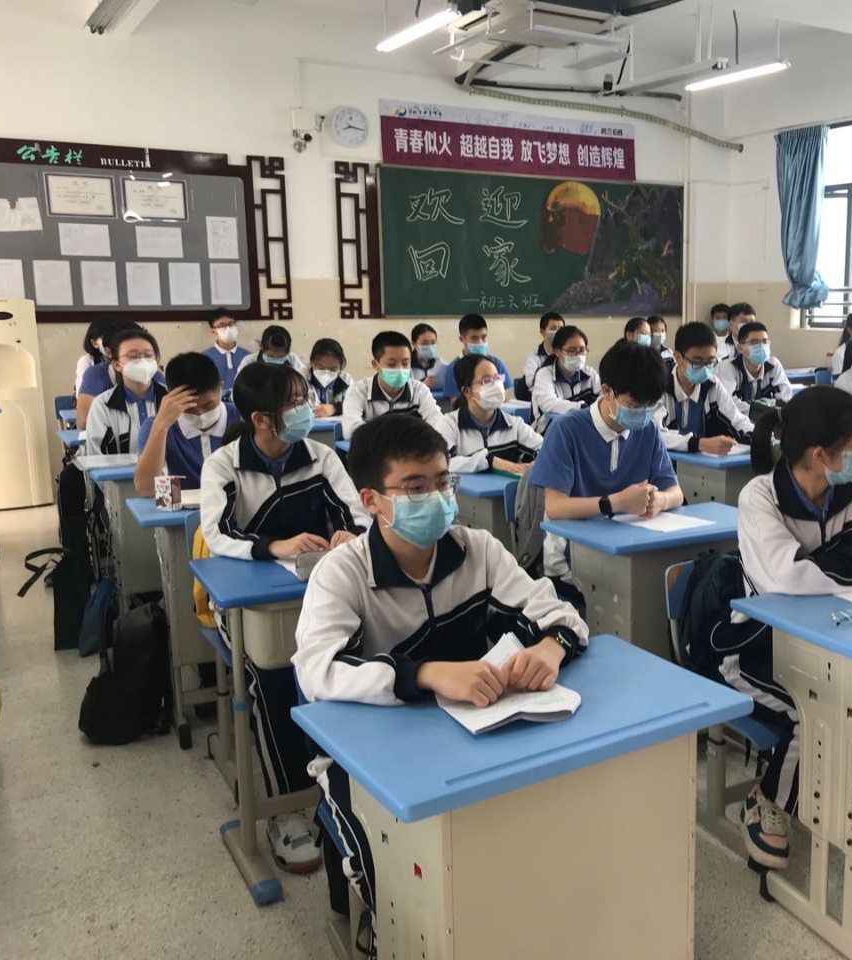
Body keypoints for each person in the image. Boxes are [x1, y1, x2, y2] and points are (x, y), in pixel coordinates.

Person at [292, 414, 587, 942]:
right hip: (367, 757)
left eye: (442, 481)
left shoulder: (477, 549)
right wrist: (425, 674)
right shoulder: (343, 573)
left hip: (468, 736)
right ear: (371, 500)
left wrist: (551, 646)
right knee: (399, 883)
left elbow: (558, 611)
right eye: (414, 487)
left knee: (538, 831)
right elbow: (317, 672)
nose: (435, 497)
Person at [691, 388, 852, 907]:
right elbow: (785, 580)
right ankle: (769, 799)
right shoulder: (760, 497)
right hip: (747, 646)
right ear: (819, 454)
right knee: (818, 714)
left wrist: (848, 564)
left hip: (831, 640)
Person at [200, 362, 370, 873]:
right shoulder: (224, 465)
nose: (305, 410)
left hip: (320, 593)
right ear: (260, 419)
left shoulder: (321, 456)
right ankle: (286, 807)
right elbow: (217, 533)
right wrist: (273, 545)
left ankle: (347, 783)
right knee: (272, 677)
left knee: (357, 664)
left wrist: (349, 535)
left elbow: (357, 514)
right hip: (248, 603)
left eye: (304, 398)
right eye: (294, 403)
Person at [528, 340, 683, 578]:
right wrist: (615, 503)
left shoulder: (649, 431)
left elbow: (676, 493)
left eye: (650, 406)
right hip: (573, 556)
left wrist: (660, 500)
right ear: (607, 391)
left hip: (632, 544)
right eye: (634, 405)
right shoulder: (567, 430)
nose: (643, 413)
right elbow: (555, 507)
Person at [133, 351, 239, 494]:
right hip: (184, 507)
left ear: (221, 387)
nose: (200, 414)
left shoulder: (242, 418)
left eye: (208, 405)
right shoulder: (157, 426)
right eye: (189, 408)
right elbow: (145, 488)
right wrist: (161, 426)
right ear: (169, 395)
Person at [656, 322, 754, 454]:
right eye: (697, 362)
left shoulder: (711, 385)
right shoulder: (659, 386)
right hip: (663, 462)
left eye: (710, 362)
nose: (705, 368)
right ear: (678, 357)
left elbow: (737, 419)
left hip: (702, 463)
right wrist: (700, 444)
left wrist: (757, 434)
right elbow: (656, 434)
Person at [341, 331, 451, 443]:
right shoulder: (358, 391)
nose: (400, 369)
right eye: (391, 364)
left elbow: (438, 425)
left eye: (405, 363)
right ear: (375, 365)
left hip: (412, 451)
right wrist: (398, 437)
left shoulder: (419, 390)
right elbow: (351, 430)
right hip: (374, 451)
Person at [448, 355, 544, 475]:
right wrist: (490, 461)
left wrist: (537, 464)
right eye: (487, 380)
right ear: (467, 391)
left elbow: (546, 449)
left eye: (497, 378)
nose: (496, 385)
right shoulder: (450, 424)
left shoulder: (514, 424)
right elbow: (441, 462)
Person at [85, 326, 168, 455]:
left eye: (148, 355)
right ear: (116, 365)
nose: (142, 361)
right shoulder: (103, 405)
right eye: (133, 356)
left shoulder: (170, 398)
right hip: (120, 469)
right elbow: (97, 457)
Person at [530, 325, 601, 435]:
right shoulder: (545, 374)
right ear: (557, 352)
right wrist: (581, 407)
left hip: (583, 428)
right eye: (572, 351)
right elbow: (549, 404)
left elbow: (603, 397)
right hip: (549, 431)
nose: (578, 355)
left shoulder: (589, 373)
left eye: (582, 350)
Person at [717, 320, 793, 414]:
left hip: (767, 418)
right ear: (740, 348)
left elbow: (786, 398)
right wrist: (765, 409)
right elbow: (729, 404)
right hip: (735, 421)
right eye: (754, 343)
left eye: (765, 342)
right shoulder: (728, 367)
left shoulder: (773, 365)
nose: (762, 347)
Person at [76, 316, 138, 429]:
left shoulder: (150, 373)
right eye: (131, 353)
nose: (140, 358)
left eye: (148, 354)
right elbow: (84, 420)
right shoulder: (93, 371)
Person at [440, 314, 514, 396]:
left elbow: (506, 396)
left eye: (484, 337)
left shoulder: (496, 363)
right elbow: (455, 401)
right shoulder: (453, 368)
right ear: (462, 339)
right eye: (474, 338)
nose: (480, 342)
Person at [203, 307, 250, 398]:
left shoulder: (248, 356)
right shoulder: (205, 358)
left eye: (231, 324)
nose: (228, 328)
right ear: (214, 331)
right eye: (222, 325)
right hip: (217, 404)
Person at [519, 312, 565, 401]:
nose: (558, 332)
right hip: (540, 398)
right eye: (553, 328)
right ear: (542, 332)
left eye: (561, 329)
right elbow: (531, 383)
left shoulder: (568, 354)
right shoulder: (533, 356)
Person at [236, 324, 308, 377]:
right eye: (271, 356)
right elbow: (238, 388)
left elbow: (303, 381)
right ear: (262, 347)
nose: (275, 359)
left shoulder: (292, 359)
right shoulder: (249, 361)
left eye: (280, 357)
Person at [74, 315, 119, 397]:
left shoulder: (124, 360)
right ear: (95, 343)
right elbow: (81, 396)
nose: (113, 343)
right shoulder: (87, 361)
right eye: (107, 338)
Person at [307, 338, 353, 418]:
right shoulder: (300, 378)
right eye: (321, 368)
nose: (326, 373)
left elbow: (357, 404)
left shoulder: (346, 380)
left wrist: (335, 408)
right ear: (312, 363)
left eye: (332, 369)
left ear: (341, 367)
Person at [409, 323, 447, 391]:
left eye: (433, 343)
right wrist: (422, 385)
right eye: (425, 343)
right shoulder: (407, 367)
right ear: (414, 344)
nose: (430, 347)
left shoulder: (442, 366)